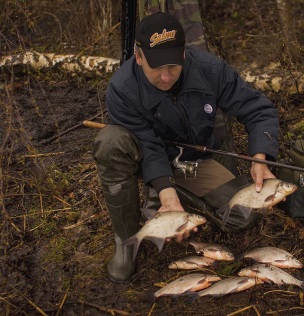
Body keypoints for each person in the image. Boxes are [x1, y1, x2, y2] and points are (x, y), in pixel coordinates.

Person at [93, 12, 280, 282]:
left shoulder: (211, 70)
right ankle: (126, 240)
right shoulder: (123, 89)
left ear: (183, 54)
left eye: (173, 65)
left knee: (242, 216)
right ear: (139, 56)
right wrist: (166, 191)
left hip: (195, 162)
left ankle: (165, 200)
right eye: (156, 67)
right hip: (146, 160)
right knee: (110, 141)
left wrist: (260, 157)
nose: (166, 77)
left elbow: (258, 109)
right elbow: (148, 144)